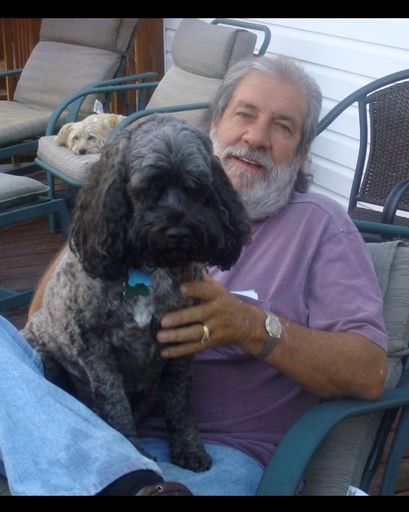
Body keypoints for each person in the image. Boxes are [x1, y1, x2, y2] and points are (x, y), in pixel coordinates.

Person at [0, 54, 388, 496]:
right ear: (215, 125)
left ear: (302, 155)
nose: (256, 137)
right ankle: (106, 474)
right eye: (245, 115)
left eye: (282, 127)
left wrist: (250, 326)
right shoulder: (134, 205)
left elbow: (369, 373)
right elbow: (44, 319)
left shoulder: (321, 226)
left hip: (219, 455)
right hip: (87, 424)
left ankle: (94, 475)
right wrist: (98, 235)